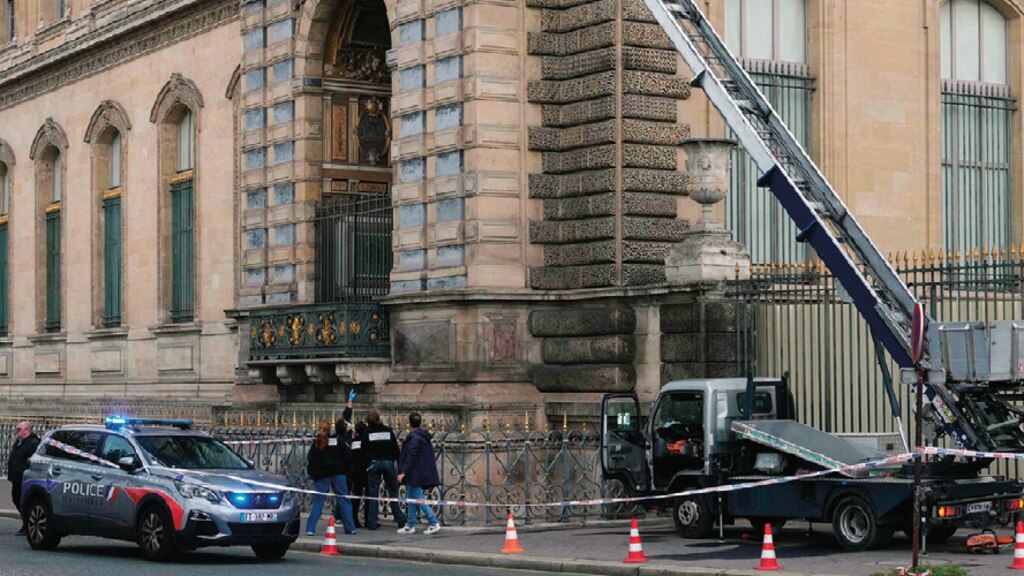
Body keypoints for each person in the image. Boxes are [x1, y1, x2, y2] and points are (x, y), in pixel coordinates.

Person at [305, 421, 356, 536]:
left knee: (318, 501)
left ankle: (310, 528)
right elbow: (347, 455)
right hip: (339, 473)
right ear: (330, 429)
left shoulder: (317, 442)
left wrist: (314, 474)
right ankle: (350, 527)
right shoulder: (338, 440)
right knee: (344, 500)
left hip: (323, 475)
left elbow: (311, 459)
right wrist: (345, 469)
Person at [397, 412, 440, 535]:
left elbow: (411, 456)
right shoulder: (422, 436)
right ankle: (410, 524)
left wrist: (403, 472)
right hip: (417, 472)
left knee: (419, 499)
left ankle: (433, 522)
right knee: (411, 498)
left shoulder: (414, 438)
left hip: (416, 473)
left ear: (409, 423)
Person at [364, 410, 406, 530]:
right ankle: (400, 519)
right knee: (393, 492)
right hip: (388, 462)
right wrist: (398, 463)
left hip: (374, 463)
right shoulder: (388, 430)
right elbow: (395, 449)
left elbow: (364, 449)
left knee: (373, 494)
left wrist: (368, 463)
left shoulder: (368, 432)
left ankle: (372, 522)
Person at [7, 421, 40, 536]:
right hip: (16, 477)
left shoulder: (33, 443)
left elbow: (34, 459)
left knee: (23, 501)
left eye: (19, 429)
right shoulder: (19, 442)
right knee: (16, 499)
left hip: (25, 477)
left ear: (27, 430)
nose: (17, 432)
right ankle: (26, 523)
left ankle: (27, 525)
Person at [347, 420, 369, 528]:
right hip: (365, 470)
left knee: (356, 496)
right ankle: (368, 518)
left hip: (355, 471)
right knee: (368, 496)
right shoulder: (366, 441)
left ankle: (354, 518)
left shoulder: (354, 441)